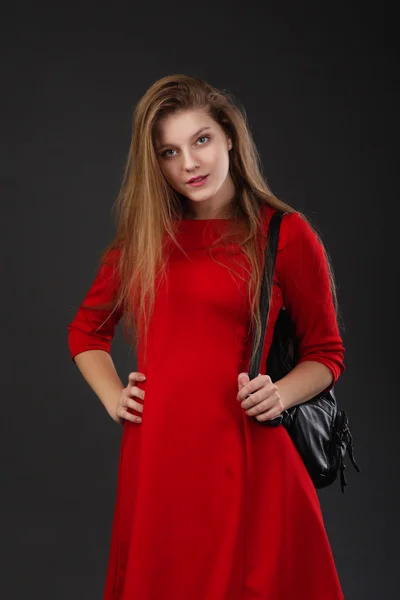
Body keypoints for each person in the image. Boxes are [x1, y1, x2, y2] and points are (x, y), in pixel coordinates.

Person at [67, 74, 346, 600]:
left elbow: (326, 354)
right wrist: (112, 395)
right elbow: (86, 331)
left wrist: (280, 393)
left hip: (250, 459)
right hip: (160, 464)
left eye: (201, 141)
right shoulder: (143, 243)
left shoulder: (285, 234)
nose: (188, 164)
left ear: (230, 138)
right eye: (169, 151)